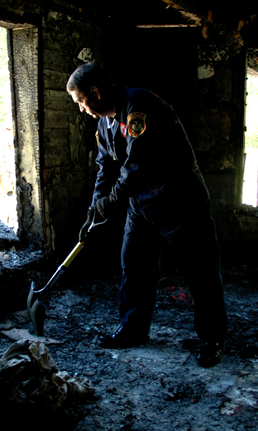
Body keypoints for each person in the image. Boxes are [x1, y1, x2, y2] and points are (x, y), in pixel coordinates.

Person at [66, 62, 228, 367]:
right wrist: (93, 211)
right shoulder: (104, 123)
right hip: (142, 205)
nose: (81, 109)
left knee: (200, 269)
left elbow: (136, 168)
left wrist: (109, 203)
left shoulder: (138, 105)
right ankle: (133, 329)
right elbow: (106, 168)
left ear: (95, 92)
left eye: (80, 102)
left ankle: (212, 338)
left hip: (180, 200)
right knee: (135, 264)